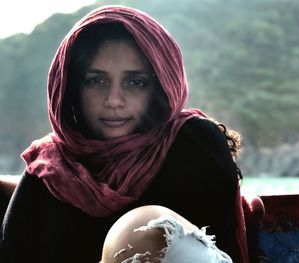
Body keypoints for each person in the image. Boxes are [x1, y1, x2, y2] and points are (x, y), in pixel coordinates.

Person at [0, 5, 248, 263]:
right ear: (72, 89)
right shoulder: (52, 168)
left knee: (147, 228)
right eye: (96, 81)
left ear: (159, 89)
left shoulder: (194, 143)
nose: (114, 100)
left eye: (135, 82)